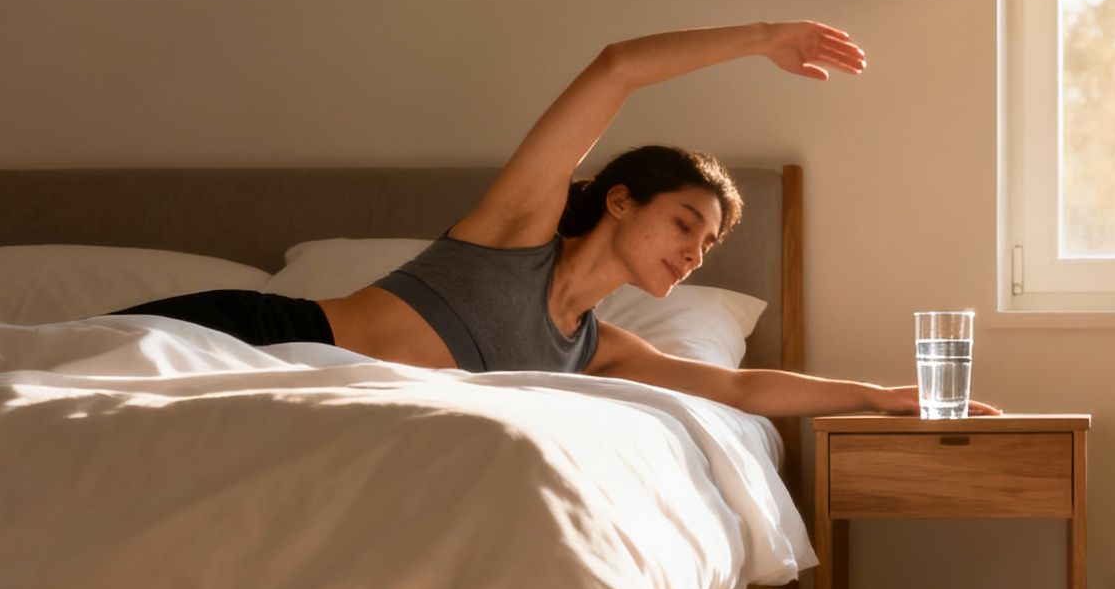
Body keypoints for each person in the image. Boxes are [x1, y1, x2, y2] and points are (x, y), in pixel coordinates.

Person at [114, 21, 995, 418]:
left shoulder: (594, 347)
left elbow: (734, 388)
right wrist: (763, 37)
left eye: (710, 243)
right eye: (686, 223)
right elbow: (614, 69)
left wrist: (879, 397)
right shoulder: (512, 233)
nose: (695, 253)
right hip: (251, 340)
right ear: (620, 198)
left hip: (314, 403)